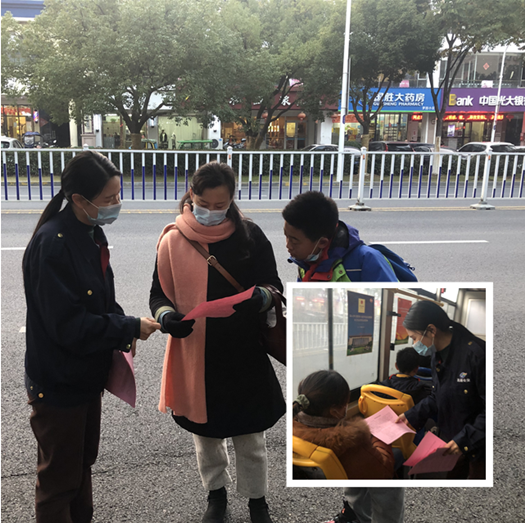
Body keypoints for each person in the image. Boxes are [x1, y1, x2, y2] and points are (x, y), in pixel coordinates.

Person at [23, 151, 161, 523]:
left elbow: (99, 300)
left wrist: (125, 325)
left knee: (80, 465)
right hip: (59, 383)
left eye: (118, 194)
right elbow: (68, 326)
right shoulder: (53, 244)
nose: (117, 203)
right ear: (80, 200)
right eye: (109, 198)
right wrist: (127, 327)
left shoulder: (89, 231)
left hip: (83, 377)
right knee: (59, 481)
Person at [149, 161, 285, 523]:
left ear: (232, 200)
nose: (211, 211)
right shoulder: (173, 240)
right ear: (191, 195)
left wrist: (261, 297)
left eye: (220, 205)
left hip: (244, 352)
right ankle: (216, 495)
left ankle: (257, 500)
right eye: (204, 204)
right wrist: (166, 317)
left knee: (251, 439)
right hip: (197, 355)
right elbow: (158, 294)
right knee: (206, 438)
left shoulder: (249, 235)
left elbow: (273, 286)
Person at [397, 300, 486, 479]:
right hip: (452, 439)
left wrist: (465, 440)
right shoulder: (436, 354)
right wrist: (411, 415)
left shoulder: (477, 355)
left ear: (431, 330)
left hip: (476, 444)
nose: (414, 344)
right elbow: (439, 394)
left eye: (414, 338)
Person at [293, 370, 394, 480]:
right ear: (334, 411)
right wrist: (380, 438)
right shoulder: (351, 444)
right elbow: (384, 471)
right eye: (346, 403)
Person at [282, 191, 398, 282]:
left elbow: (393, 301)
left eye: (294, 241)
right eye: (286, 236)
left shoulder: (367, 261)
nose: (288, 245)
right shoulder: (305, 261)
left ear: (322, 242)